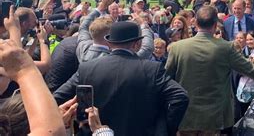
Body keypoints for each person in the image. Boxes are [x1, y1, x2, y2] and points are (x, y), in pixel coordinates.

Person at [165, 6, 254, 135]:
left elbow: (166, 79)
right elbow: (251, 69)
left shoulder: (177, 48)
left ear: (196, 23)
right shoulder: (226, 48)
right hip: (213, 115)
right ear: (215, 25)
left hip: (186, 115)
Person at [54, 21, 189, 135]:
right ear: (137, 44)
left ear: (110, 43)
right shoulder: (152, 69)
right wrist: (165, 127)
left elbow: (56, 98)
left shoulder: (87, 68)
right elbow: (181, 97)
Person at [0, 6, 66, 135]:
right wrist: (43, 40)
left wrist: (35, 39)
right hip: (15, 113)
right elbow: (43, 64)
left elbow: (24, 58)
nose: (36, 24)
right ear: (23, 24)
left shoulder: (16, 41)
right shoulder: (6, 49)